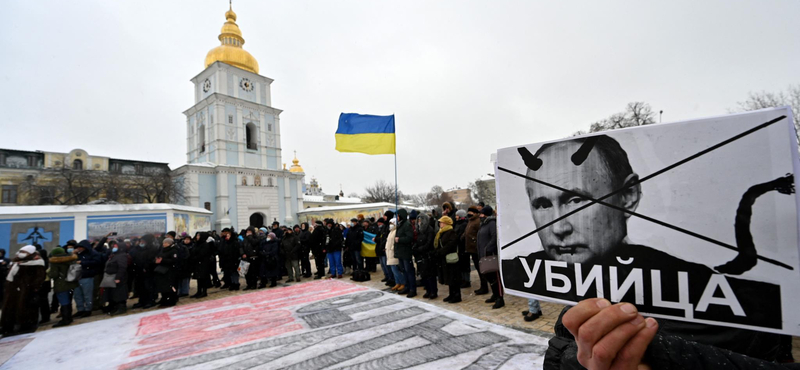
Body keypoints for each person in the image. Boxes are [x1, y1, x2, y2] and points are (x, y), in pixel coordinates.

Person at [514, 136, 785, 368]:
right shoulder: (542, 280)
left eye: (576, 199)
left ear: (628, 195)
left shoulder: (745, 308)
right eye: (542, 204)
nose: (559, 227)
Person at [1, 245, 46, 336]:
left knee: (25, 308)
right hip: (12, 290)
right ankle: (8, 327)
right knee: (10, 308)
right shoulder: (16, 262)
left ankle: (25, 326)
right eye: (21, 251)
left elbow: (40, 277)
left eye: (24, 252)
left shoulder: (36, 263)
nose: (21, 254)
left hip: (26, 290)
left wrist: (32, 287)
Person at [477, 206, 504, 309]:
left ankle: (500, 299)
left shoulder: (492, 223)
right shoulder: (483, 224)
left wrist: (488, 249)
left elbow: (494, 237)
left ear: (487, 214)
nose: (480, 215)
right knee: (489, 277)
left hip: (490, 255)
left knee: (495, 277)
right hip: (483, 255)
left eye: (482, 214)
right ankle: (494, 295)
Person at [48, 246, 78, 327]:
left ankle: (66, 319)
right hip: (70, 282)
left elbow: (54, 274)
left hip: (61, 284)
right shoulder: (70, 259)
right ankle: (69, 317)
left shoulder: (55, 262)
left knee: (63, 301)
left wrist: (49, 273)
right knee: (68, 301)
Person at [434, 216, 461, 303]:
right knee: (449, 277)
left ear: (446, 223)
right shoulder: (441, 232)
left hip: (450, 257)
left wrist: (441, 251)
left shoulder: (451, 232)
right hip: (444, 258)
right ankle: (451, 294)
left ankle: (457, 295)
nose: (440, 224)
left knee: (453, 277)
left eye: (441, 222)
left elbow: (451, 244)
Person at [74, 240, 102, 317]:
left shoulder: (93, 253)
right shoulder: (77, 254)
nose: (79, 248)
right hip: (77, 277)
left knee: (87, 295)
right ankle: (80, 309)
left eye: (80, 247)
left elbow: (96, 262)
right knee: (77, 295)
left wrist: (82, 263)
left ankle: (88, 309)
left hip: (87, 276)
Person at [464, 205, 487, 295]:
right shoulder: (470, 221)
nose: (469, 214)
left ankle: (484, 286)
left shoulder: (477, 222)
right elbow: (467, 232)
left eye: (471, 212)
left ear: (475, 213)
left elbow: (480, 234)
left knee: (481, 269)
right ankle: (483, 286)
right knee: (478, 269)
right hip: (471, 248)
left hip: (476, 248)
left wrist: (475, 241)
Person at [413, 212, 437, 299]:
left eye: (420, 220)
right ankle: (428, 290)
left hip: (428, 255)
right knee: (424, 274)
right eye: (418, 220)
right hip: (421, 255)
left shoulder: (429, 229)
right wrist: (415, 248)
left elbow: (429, 242)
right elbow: (418, 240)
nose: (419, 222)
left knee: (430, 274)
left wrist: (421, 249)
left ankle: (433, 291)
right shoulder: (419, 230)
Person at [132, 234, 158, 309]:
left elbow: (151, 260)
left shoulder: (153, 249)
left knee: (148, 287)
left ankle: (150, 301)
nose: (141, 242)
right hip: (138, 270)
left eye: (143, 241)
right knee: (140, 287)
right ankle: (142, 301)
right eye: (141, 241)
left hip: (148, 271)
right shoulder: (138, 248)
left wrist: (146, 267)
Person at [103, 240, 129, 316]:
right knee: (114, 293)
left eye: (116, 246)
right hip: (111, 277)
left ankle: (121, 308)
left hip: (118, 277)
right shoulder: (114, 255)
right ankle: (115, 307)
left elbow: (122, 267)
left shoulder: (122, 255)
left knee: (120, 293)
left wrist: (118, 277)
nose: (114, 247)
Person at [394, 209, 416, 298]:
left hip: (406, 252)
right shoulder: (400, 225)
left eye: (398, 216)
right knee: (404, 271)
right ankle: (407, 287)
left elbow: (409, 238)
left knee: (409, 271)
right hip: (401, 252)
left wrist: (399, 240)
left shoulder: (407, 225)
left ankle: (412, 289)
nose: (397, 218)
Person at [154, 238, 179, 307]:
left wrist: (163, 260)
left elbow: (174, 260)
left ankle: (171, 300)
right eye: (163, 243)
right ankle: (164, 299)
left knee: (170, 286)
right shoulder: (162, 250)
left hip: (170, 271)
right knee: (163, 286)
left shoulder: (174, 250)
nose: (164, 244)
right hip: (162, 271)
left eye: (166, 243)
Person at [190, 232, 213, 298]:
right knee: (198, 278)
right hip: (197, 263)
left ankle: (204, 291)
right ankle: (199, 291)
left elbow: (203, 254)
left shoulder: (205, 244)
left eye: (198, 235)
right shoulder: (197, 244)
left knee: (203, 278)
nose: (197, 237)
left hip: (203, 263)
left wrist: (195, 257)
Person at [385, 218, 405, 293]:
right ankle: (398, 282)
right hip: (389, 253)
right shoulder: (391, 232)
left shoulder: (396, 231)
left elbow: (395, 242)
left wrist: (392, 249)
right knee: (393, 270)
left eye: (392, 224)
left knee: (396, 269)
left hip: (393, 253)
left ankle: (403, 282)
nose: (390, 225)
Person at [453, 210, 470, 289]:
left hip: (463, 247)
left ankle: (466, 280)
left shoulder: (463, 224)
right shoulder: (458, 223)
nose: (455, 217)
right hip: (459, 247)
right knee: (461, 264)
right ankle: (463, 279)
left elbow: (460, 235)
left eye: (457, 215)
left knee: (465, 264)